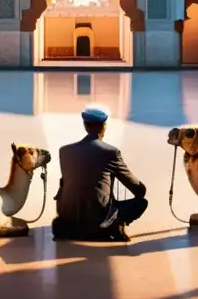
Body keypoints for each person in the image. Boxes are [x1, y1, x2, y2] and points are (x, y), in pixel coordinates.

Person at [51, 104, 148, 242]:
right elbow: (139, 191)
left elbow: (66, 183)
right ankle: (114, 225)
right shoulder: (111, 152)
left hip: (68, 224)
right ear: (104, 127)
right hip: (98, 224)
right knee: (141, 202)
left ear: (85, 126)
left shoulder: (65, 151)